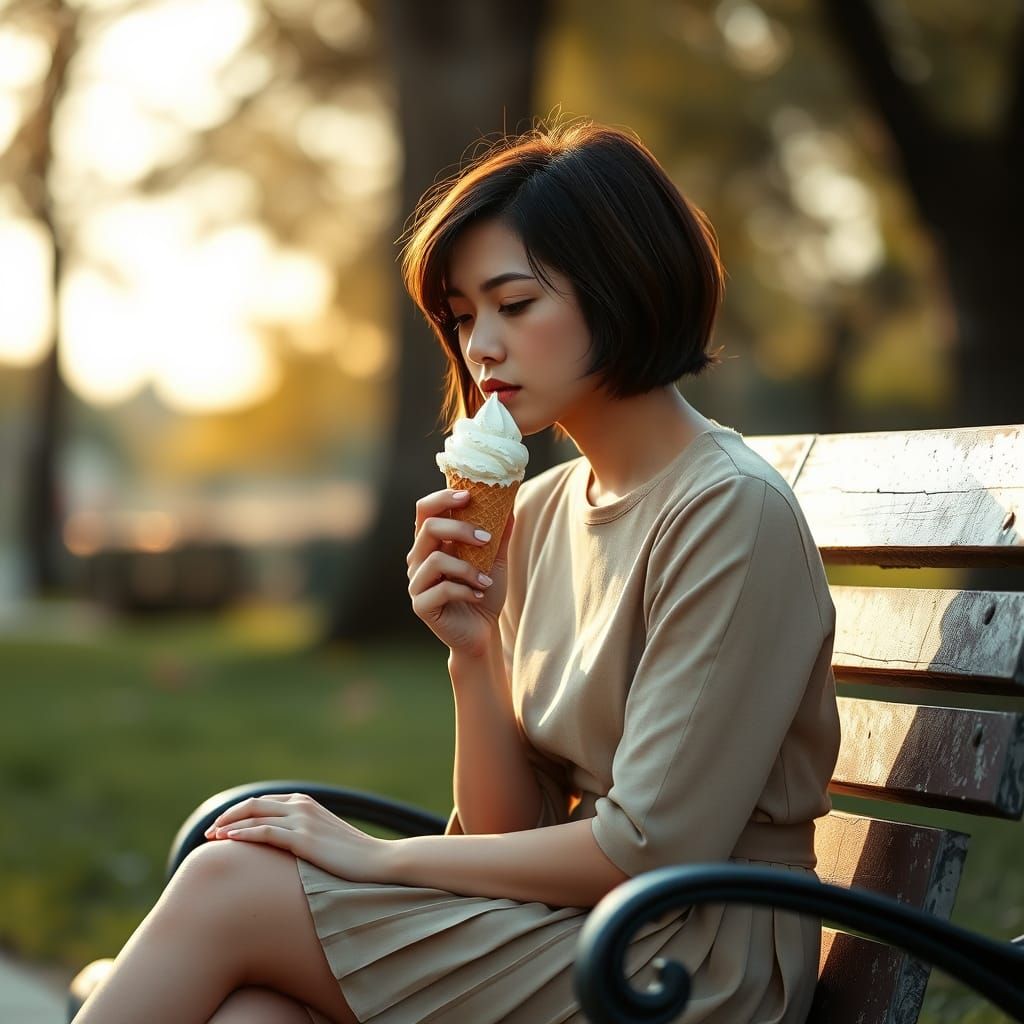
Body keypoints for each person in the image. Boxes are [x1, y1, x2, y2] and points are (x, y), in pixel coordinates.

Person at [73, 120, 841, 1024]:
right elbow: (508, 834)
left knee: (229, 884)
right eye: (465, 316)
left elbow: (646, 849)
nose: (481, 346)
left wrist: (379, 858)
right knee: (254, 1017)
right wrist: (473, 653)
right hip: (582, 927)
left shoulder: (727, 510)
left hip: (690, 956)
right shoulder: (540, 510)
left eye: (514, 304)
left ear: (625, 289)